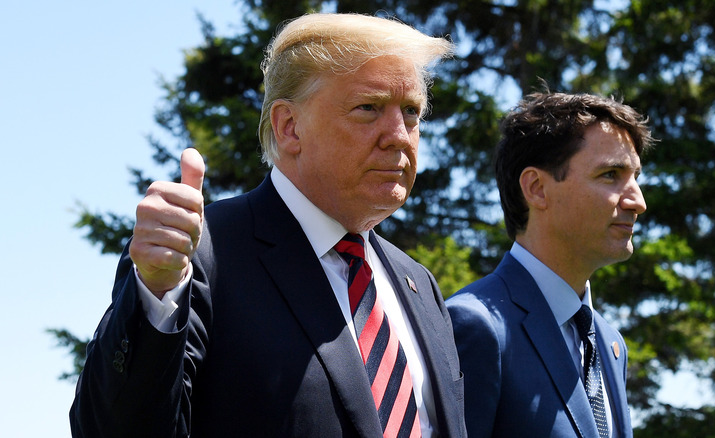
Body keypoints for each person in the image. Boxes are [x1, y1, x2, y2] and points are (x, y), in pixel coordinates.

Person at [70, 13, 466, 438]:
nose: (400, 136)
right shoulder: (202, 255)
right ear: (289, 126)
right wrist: (157, 293)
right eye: (368, 107)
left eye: (411, 112)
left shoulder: (418, 285)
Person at [446, 91, 655, 438]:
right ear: (537, 188)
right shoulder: (476, 327)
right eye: (610, 175)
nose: (638, 201)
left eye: (635, 177)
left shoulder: (610, 343)